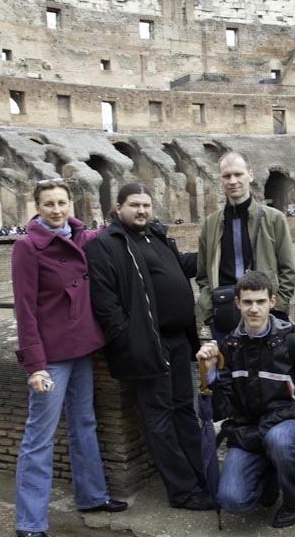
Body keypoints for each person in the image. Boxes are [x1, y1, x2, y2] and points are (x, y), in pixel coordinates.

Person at [85, 183, 213, 511]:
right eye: (134, 205)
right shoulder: (106, 244)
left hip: (179, 340)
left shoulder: (155, 236)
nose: (141, 210)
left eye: (145, 205)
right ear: (118, 208)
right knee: (159, 418)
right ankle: (183, 491)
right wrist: (131, 339)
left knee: (184, 410)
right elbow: (105, 303)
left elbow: (179, 266)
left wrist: (216, 248)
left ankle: (204, 477)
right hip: (148, 344)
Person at [11, 180, 126, 537]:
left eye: (62, 202)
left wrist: (128, 213)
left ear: (70, 204)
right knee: (39, 437)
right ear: (37, 207)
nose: (57, 210)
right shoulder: (27, 247)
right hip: (50, 359)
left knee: (84, 423)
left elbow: (108, 236)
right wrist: (35, 366)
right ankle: (29, 523)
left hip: (82, 350)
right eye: (49, 204)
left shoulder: (81, 237)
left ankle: (91, 495)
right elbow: (25, 310)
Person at [195, 270, 295, 528]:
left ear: (272, 301)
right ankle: (270, 478)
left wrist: (276, 423)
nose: (254, 309)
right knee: (233, 501)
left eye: (260, 301)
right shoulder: (229, 348)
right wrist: (210, 373)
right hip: (247, 434)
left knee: (279, 440)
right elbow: (218, 411)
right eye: (247, 302)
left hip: (286, 429)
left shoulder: (292, 344)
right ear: (237, 303)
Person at [196, 151, 295, 340]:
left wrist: (277, 306)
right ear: (221, 180)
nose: (232, 181)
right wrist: (209, 308)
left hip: (264, 313)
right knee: (227, 360)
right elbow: (202, 275)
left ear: (250, 175)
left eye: (238, 174)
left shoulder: (274, 219)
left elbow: (288, 270)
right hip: (224, 313)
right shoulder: (210, 224)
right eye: (227, 176)